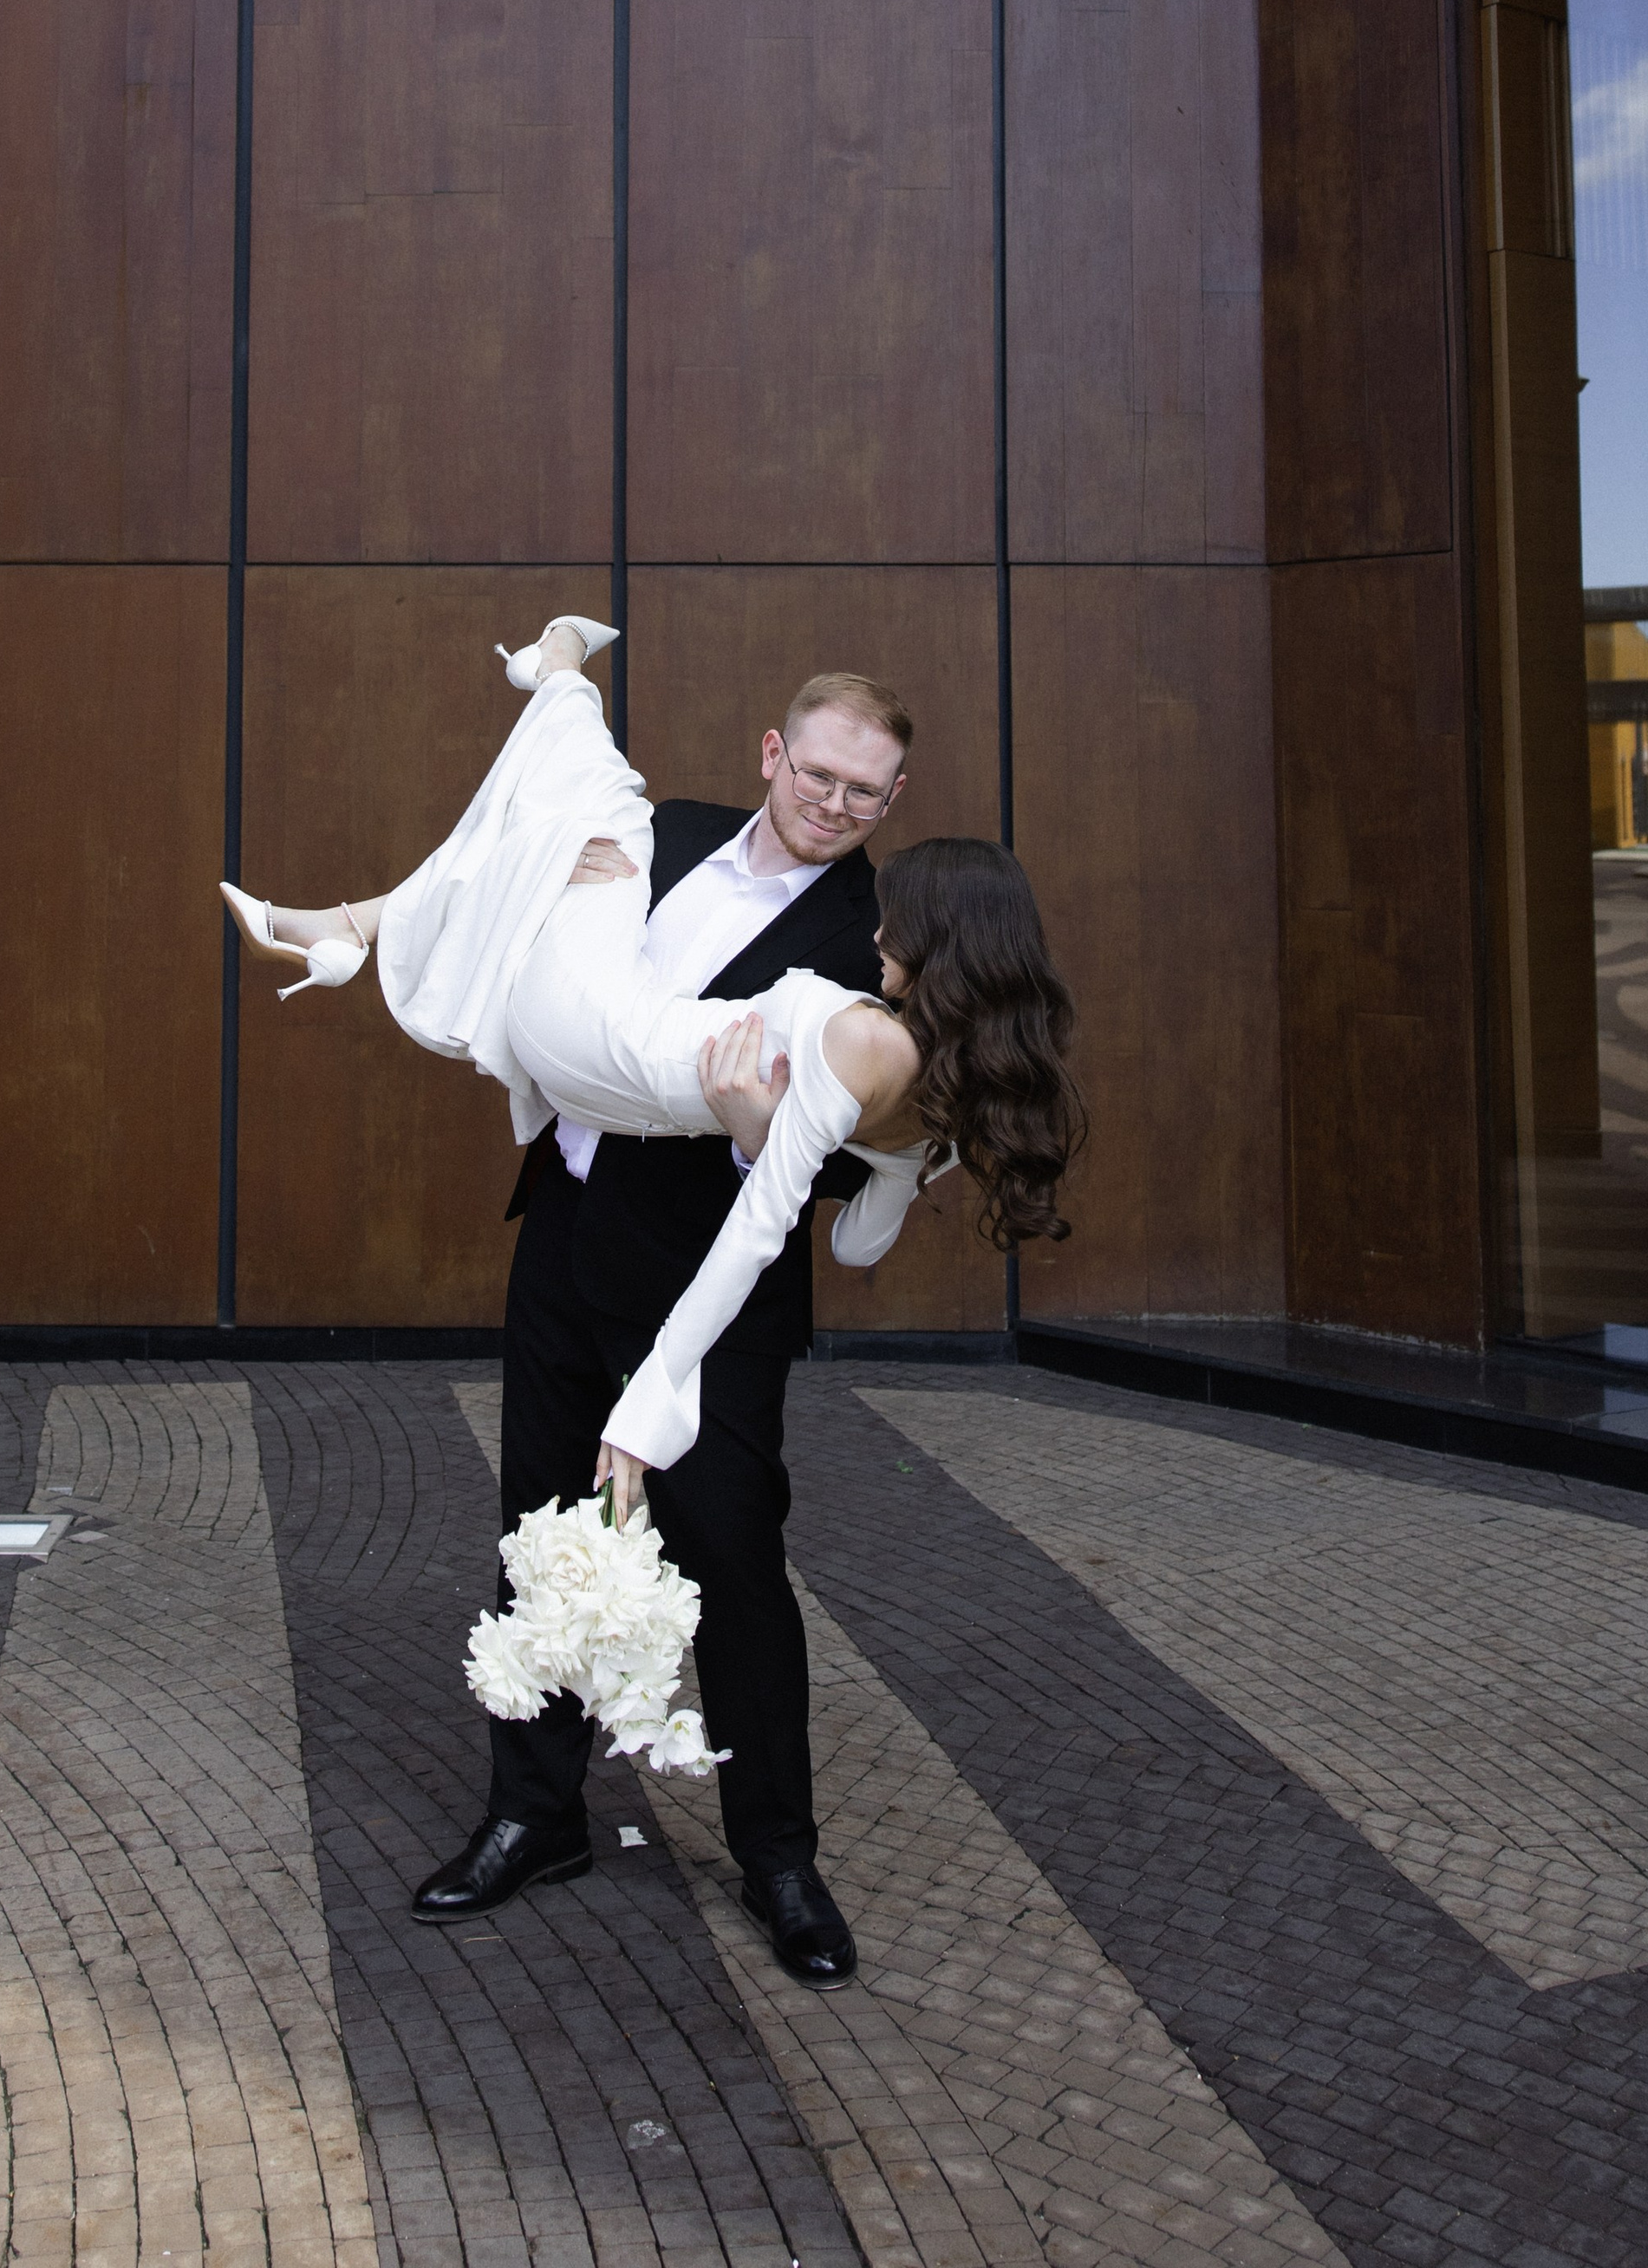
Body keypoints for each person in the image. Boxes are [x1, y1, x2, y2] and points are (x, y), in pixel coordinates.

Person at [222, 616, 1083, 1988]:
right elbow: (517, 896)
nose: (835, 804)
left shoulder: (889, 938)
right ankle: (534, 1812)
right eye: (818, 775)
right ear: (773, 754)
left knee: (734, 1560)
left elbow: (854, 1143)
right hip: (565, 1235)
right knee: (539, 1524)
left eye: (865, 792)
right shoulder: (667, 834)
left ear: (894, 802)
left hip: (714, 1280)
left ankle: (780, 1856)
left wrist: (752, 1140)